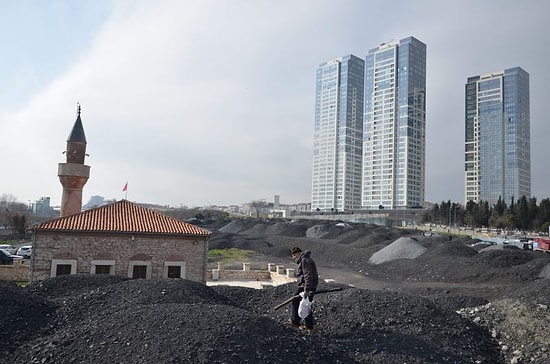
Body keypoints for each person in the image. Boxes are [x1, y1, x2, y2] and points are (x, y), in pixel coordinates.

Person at [289, 247, 318, 331]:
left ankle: (308, 326)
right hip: (305, 286)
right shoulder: (305, 259)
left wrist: (306, 290)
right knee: (299, 301)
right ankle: (296, 321)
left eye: (294, 255)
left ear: (299, 253)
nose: (293, 257)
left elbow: (308, 275)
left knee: (305, 304)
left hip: (306, 287)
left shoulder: (305, 260)